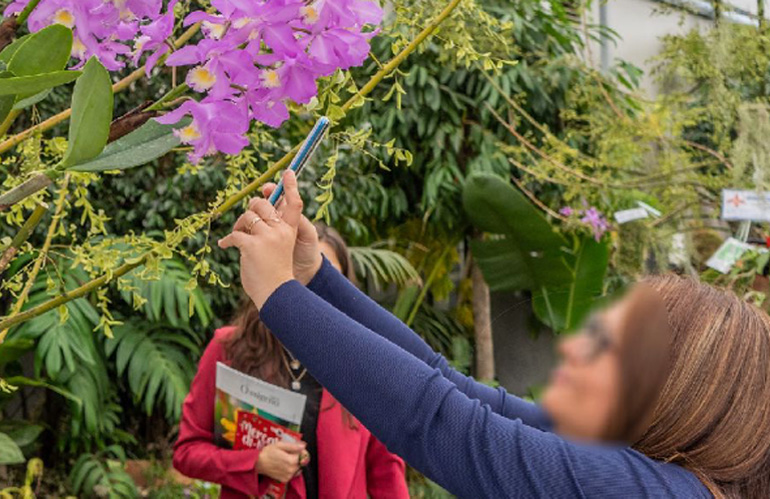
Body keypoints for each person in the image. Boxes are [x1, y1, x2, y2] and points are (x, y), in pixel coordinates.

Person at [218, 170, 770, 498]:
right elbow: (449, 385)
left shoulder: (651, 491)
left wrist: (279, 296)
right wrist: (315, 279)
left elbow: (445, 424)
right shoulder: (636, 456)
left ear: (692, 397)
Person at [173, 220, 409, 499]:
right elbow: (187, 452)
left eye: (325, 276)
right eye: (298, 271)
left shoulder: (362, 362)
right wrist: (255, 462)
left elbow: (387, 475)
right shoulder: (230, 348)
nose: (311, 286)